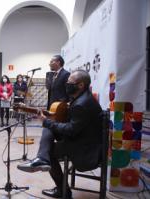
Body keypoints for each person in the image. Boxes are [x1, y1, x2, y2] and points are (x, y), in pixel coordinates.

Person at [17, 70, 102, 199]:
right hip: (82, 137)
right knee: (49, 127)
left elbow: (71, 130)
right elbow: (75, 124)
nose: (67, 84)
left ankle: (63, 191)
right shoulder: (83, 98)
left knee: (50, 147)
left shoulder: (81, 104)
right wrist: (50, 120)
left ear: (80, 85)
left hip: (85, 147)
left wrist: (47, 122)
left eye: (70, 82)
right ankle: (42, 158)